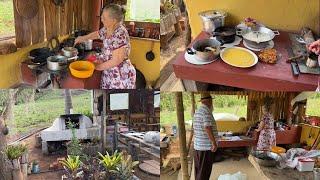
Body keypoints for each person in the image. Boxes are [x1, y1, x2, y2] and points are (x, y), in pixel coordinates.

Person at [75, 4, 136, 89]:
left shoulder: (120, 34)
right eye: (101, 16)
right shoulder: (108, 28)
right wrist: (82, 38)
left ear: (114, 20)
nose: (101, 19)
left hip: (120, 75)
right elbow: (97, 34)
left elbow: (116, 60)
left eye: (104, 17)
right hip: (109, 72)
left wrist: (95, 67)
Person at [193, 93, 218, 180]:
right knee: (204, 172)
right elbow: (207, 127)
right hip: (205, 147)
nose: (212, 103)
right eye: (211, 101)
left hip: (198, 146)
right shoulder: (206, 111)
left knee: (199, 170)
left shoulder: (198, 111)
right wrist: (213, 143)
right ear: (209, 101)